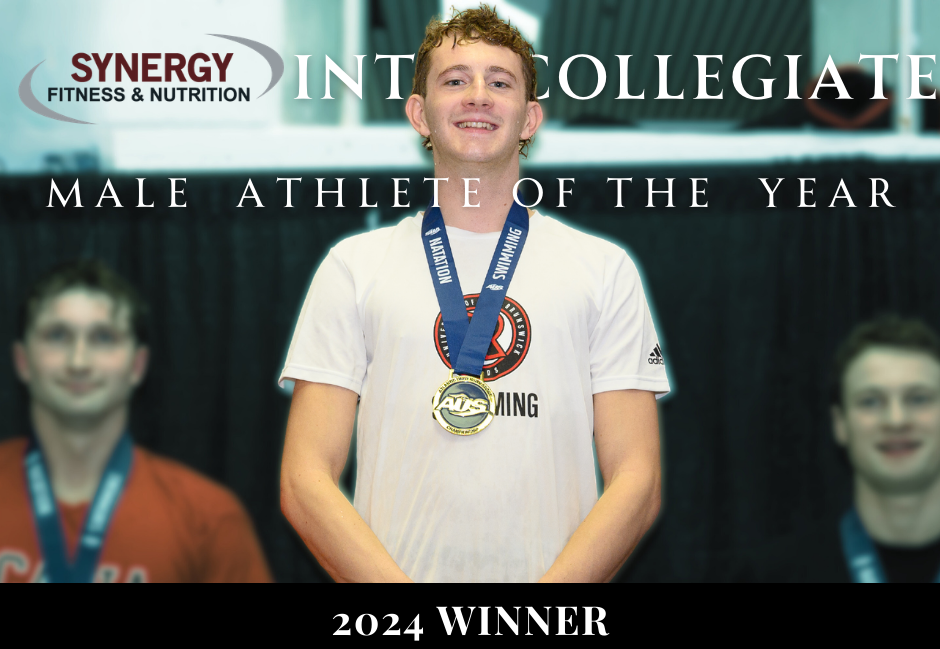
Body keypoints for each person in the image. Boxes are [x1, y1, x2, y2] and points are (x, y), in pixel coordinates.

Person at [280, 5, 669, 582]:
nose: (479, 95)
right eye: (455, 80)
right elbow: (304, 478)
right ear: (419, 114)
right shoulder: (354, 266)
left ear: (530, 118)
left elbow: (639, 479)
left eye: (501, 82)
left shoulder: (603, 269)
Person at [0, 260, 272, 583]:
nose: (78, 361)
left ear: (137, 365)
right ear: (22, 360)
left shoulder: (208, 518)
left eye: (103, 338)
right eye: (57, 335)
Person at [830, 316, 940, 583]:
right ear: (840, 424)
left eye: (918, 398)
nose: (896, 420)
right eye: (870, 402)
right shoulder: (764, 575)